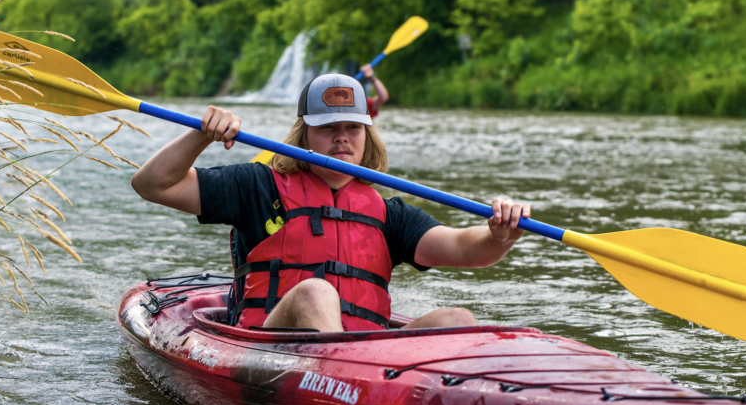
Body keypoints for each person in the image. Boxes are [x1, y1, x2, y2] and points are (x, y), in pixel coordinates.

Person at [131, 73, 530, 333]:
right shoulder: (257, 185)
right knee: (314, 293)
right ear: (305, 135)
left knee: (458, 320)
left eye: (352, 127)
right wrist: (201, 135)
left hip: (366, 362)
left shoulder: (389, 214)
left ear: (366, 135)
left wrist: (500, 233)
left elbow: (466, 248)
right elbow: (152, 185)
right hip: (268, 347)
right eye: (328, 128)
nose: (342, 138)